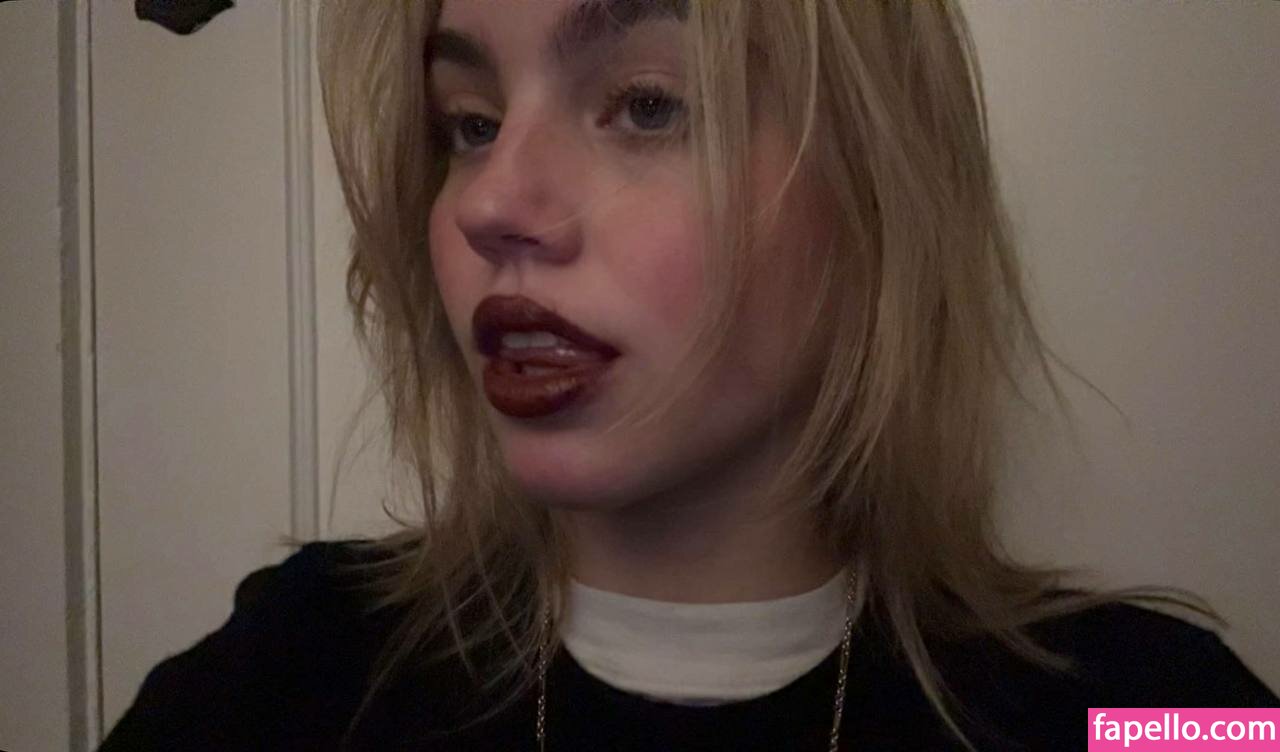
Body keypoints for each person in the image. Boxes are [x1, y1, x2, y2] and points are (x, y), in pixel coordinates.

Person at [100, 1, 1277, 750]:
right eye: (468, 122)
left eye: (645, 106)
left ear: (873, 191)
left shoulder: (1152, 710)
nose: (493, 200)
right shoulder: (288, 679)